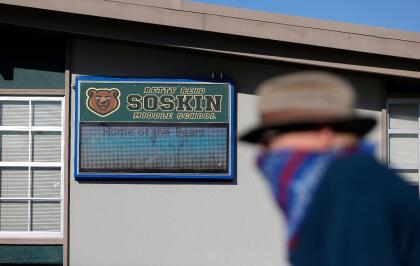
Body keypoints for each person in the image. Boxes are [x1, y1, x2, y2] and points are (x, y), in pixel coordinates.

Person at [240, 71, 420, 266]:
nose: (263, 150)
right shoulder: (353, 179)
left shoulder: (351, 186)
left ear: (322, 134)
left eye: (269, 137)